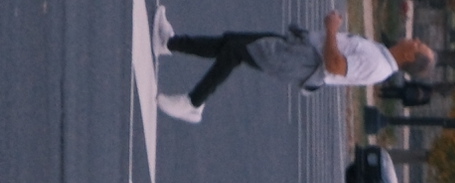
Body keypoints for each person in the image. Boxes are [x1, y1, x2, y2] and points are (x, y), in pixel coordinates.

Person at [154, 11, 434, 119]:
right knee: (231, 42)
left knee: (235, 52)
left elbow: (336, 66)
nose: (416, 39)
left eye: (419, 45)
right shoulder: (381, 56)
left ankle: (193, 103)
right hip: (300, 50)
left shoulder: (378, 66)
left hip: (302, 62)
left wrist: (332, 28)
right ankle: (169, 43)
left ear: (409, 57)